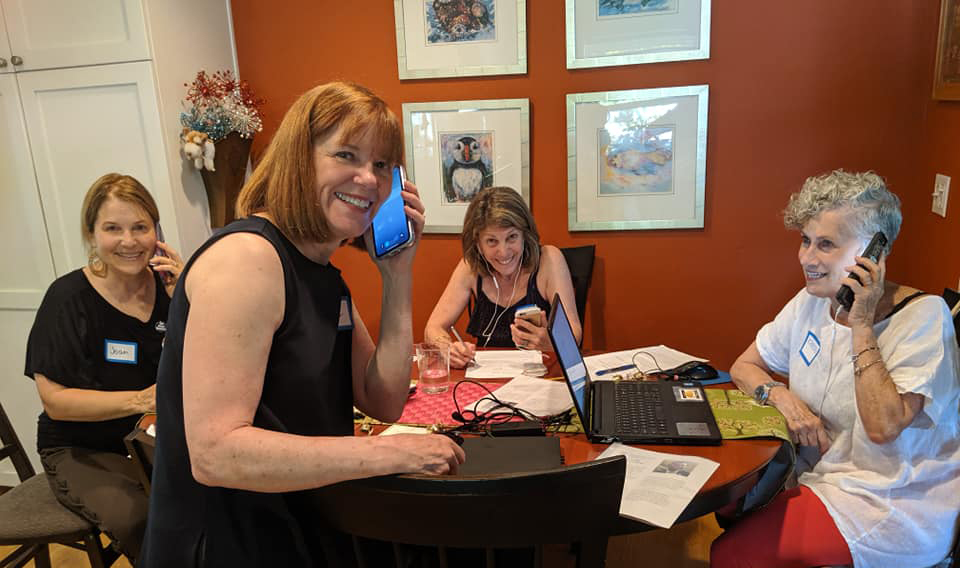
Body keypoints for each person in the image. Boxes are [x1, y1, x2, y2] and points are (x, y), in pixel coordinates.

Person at [141, 82, 465, 567]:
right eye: (347, 155)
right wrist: (396, 453)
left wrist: (397, 276)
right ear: (298, 157)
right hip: (228, 546)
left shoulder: (322, 273)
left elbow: (384, 400)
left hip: (295, 526)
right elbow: (216, 454)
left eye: (382, 164)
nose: (369, 179)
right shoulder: (247, 259)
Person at [711, 170, 960, 568]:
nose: (806, 258)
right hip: (819, 471)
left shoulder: (924, 317)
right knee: (728, 504)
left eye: (825, 244)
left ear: (874, 252)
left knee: (731, 555)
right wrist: (781, 397)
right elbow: (744, 366)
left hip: (888, 497)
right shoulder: (811, 301)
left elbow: (883, 427)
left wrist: (862, 323)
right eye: (805, 240)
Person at [23, 173, 184, 562]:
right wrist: (141, 400)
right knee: (144, 518)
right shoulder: (67, 298)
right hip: (81, 448)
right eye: (113, 228)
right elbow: (56, 402)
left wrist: (187, 299)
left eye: (140, 227)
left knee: (219, 499)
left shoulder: (171, 289)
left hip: (154, 441)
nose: (129, 241)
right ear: (91, 234)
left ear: (157, 233)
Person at [424, 186, 581, 368]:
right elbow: (432, 328)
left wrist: (551, 343)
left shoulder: (549, 259)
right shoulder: (470, 267)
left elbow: (574, 333)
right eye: (492, 241)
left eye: (512, 237)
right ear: (478, 244)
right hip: (486, 379)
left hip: (542, 375)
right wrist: (448, 349)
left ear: (524, 235)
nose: (504, 252)